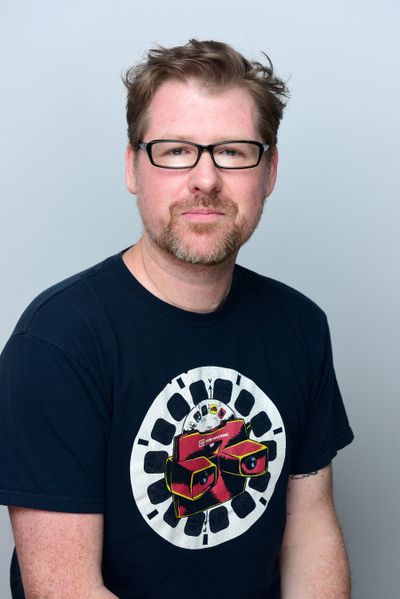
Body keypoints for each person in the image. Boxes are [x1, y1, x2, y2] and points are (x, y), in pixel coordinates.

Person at [0, 39, 354, 599]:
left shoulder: (300, 326)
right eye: (175, 151)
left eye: (234, 152)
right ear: (133, 168)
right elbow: (64, 589)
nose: (206, 180)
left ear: (270, 172)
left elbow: (310, 532)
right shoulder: (57, 341)